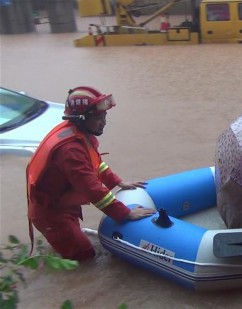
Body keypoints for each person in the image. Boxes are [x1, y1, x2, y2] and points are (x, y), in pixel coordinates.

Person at [26, 86, 156, 262]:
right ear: (81, 119)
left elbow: (96, 164)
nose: (103, 122)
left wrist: (118, 182)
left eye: (104, 116)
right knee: (84, 256)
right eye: (98, 117)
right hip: (52, 214)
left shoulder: (79, 134)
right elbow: (92, 189)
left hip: (62, 205)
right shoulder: (71, 150)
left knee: (73, 247)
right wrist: (125, 213)